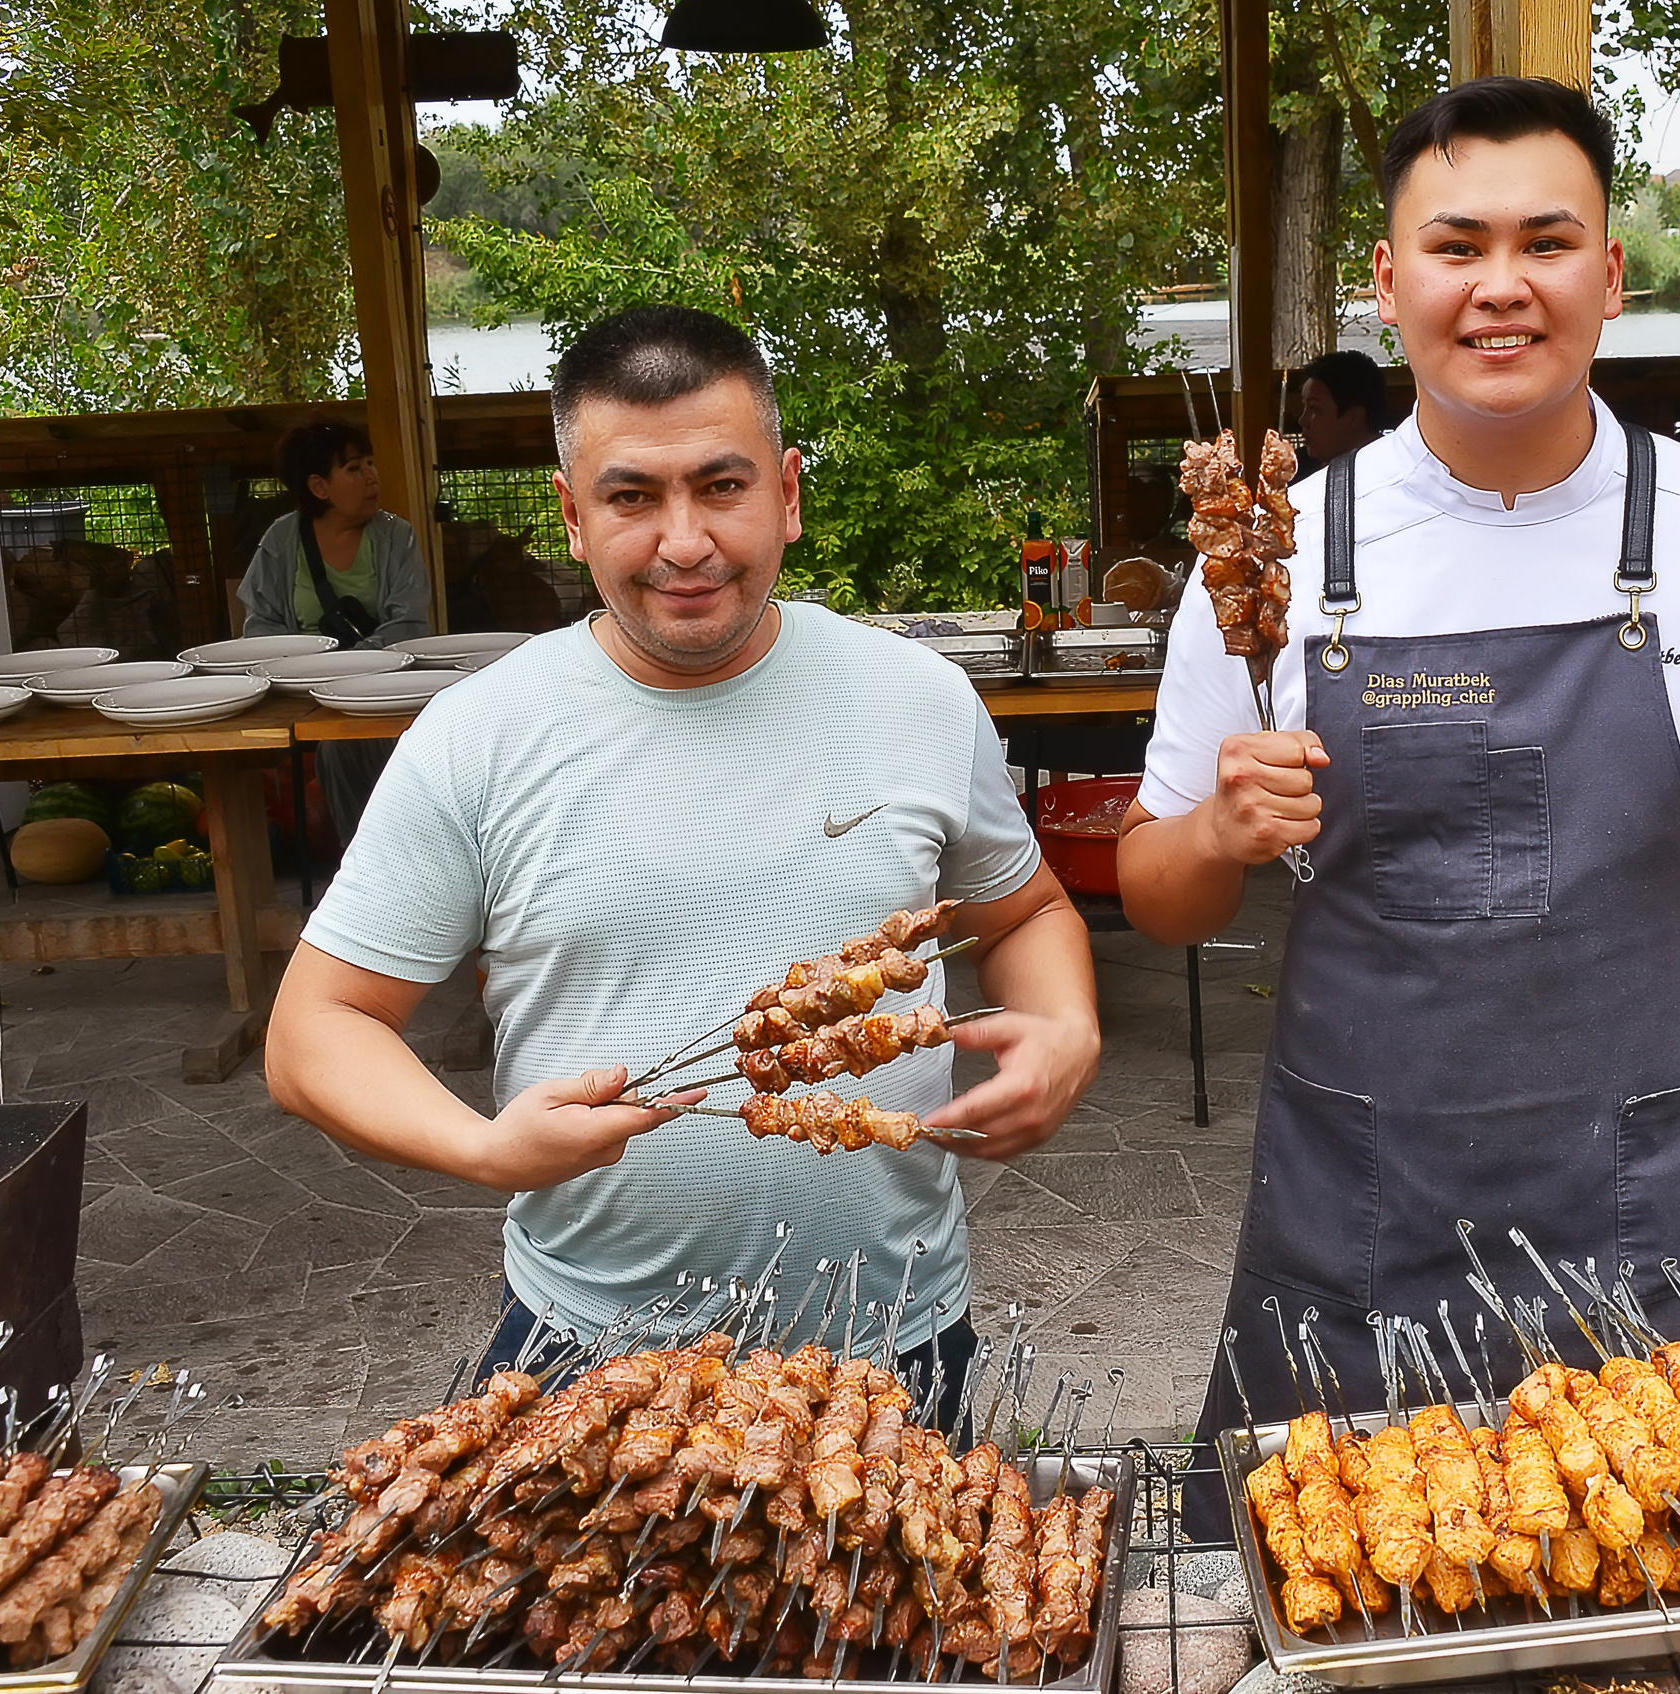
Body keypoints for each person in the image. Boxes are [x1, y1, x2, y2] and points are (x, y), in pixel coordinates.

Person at [1116, 78, 1680, 1488]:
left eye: (1547, 242)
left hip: (1667, 1204)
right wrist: (1223, 830)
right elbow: (1151, 889)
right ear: (1389, 280)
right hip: (1367, 1206)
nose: (1501, 286)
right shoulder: (1269, 562)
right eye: (1457, 245)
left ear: (1611, 274)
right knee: (1355, 1565)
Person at [265, 305, 1103, 1407]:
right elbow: (310, 1031)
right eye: (631, 496)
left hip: (894, 1342)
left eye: (721, 485)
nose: (684, 541)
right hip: (584, 1351)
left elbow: (1027, 912)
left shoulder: (918, 699)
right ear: (570, 515)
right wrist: (483, 1149)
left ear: (787, 493)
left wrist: (1068, 1028)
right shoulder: (479, 736)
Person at [241, 419, 436, 843]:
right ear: (319, 487)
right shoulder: (281, 539)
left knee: (346, 745)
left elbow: (410, 623)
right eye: (352, 468)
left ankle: (384, 861)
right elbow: (259, 627)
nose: (371, 476)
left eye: (370, 463)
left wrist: (355, 665)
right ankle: (361, 865)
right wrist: (308, 667)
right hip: (304, 691)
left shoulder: (394, 536)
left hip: (383, 688)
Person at [1294, 348, 1390, 475]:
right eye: (1304, 407)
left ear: (1354, 418)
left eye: (1314, 408)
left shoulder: (1391, 472)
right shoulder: (1296, 470)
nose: (1303, 421)